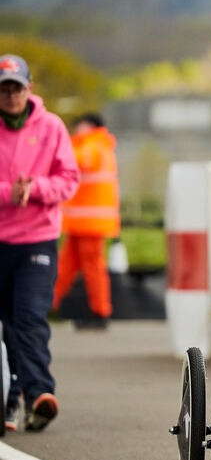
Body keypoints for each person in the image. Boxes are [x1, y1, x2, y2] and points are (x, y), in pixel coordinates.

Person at [0, 54, 80, 432]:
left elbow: (69, 178)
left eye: (16, 87)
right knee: (5, 325)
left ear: (29, 88)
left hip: (37, 240)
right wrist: (7, 194)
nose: (11, 95)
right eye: (4, 88)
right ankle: (11, 396)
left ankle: (38, 395)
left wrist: (35, 189)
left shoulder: (51, 127)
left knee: (29, 320)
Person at [52, 113, 120, 328]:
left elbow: (71, 160)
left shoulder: (92, 145)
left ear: (89, 126)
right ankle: (43, 307)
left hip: (89, 223)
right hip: (83, 223)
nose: (75, 130)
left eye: (78, 126)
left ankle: (100, 313)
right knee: (65, 267)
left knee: (91, 268)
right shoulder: (99, 146)